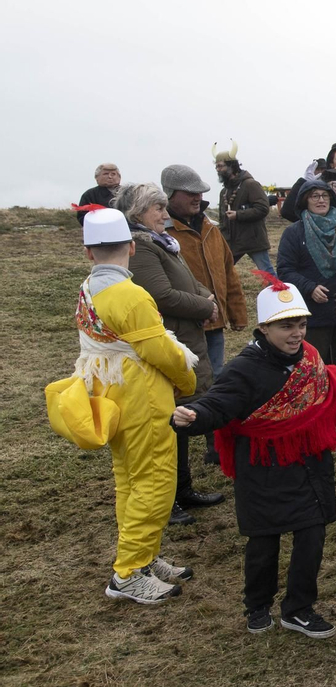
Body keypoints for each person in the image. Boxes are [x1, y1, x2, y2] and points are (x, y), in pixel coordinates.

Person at [171, 274, 336, 636]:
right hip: (263, 469)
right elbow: (217, 405)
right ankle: (257, 605)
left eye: (301, 324)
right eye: (286, 326)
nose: (297, 333)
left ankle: (299, 608)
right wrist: (194, 418)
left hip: (311, 465)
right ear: (264, 328)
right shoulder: (243, 369)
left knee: (312, 538)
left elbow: (330, 383)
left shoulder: (309, 357)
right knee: (264, 544)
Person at [53, 206, 198, 604]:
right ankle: (129, 573)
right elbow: (160, 351)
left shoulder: (88, 288)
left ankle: (142, 558)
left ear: (88, 253)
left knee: (130, 480)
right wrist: (187, 380)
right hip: (142, 397)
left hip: (110, 392)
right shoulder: (130, 294)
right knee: (154, 482)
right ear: (132, 247)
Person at [117, 183, 225, 524]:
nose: (165, 214)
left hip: (186, 337)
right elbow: (162, 294)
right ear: (137, 213)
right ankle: (169, 501)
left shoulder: (163, 243)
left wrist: (206, 299)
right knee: (166, 425)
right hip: (168, 342)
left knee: (176, 420)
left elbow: (189, 283)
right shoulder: (145, 248)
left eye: (164, 207)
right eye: (157, 209)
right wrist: (203, 307)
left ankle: (183, 490)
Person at [162, 164, 247, 400]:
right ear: (170, 194)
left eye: (199, 192)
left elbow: (228, 271)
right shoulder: (161, 234)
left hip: (215, 321)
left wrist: (237, 312)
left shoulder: (211, 228)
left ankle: (213, 431)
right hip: (182, 325)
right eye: (190, 193)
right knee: (182, 380)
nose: (198, 197)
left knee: (216, 376)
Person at [275, 179, 336, 363]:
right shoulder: (294, 232)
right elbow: (285, 269)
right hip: (313, 312)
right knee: (315, 364)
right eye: (315, 196)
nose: (321, 200)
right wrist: (309, 287)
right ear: (305, 200)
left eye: (325, 196)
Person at [212, 145, 274, 274]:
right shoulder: (224, 191)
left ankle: (281, 294)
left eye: (221, 166)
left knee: (267, 273)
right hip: (233, 241)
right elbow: (222, 219)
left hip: (253, 240)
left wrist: (238, 215)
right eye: (216, 166)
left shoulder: (250, 184)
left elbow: (262, 208)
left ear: (232, 166)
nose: (218, 169)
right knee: (221, 272)